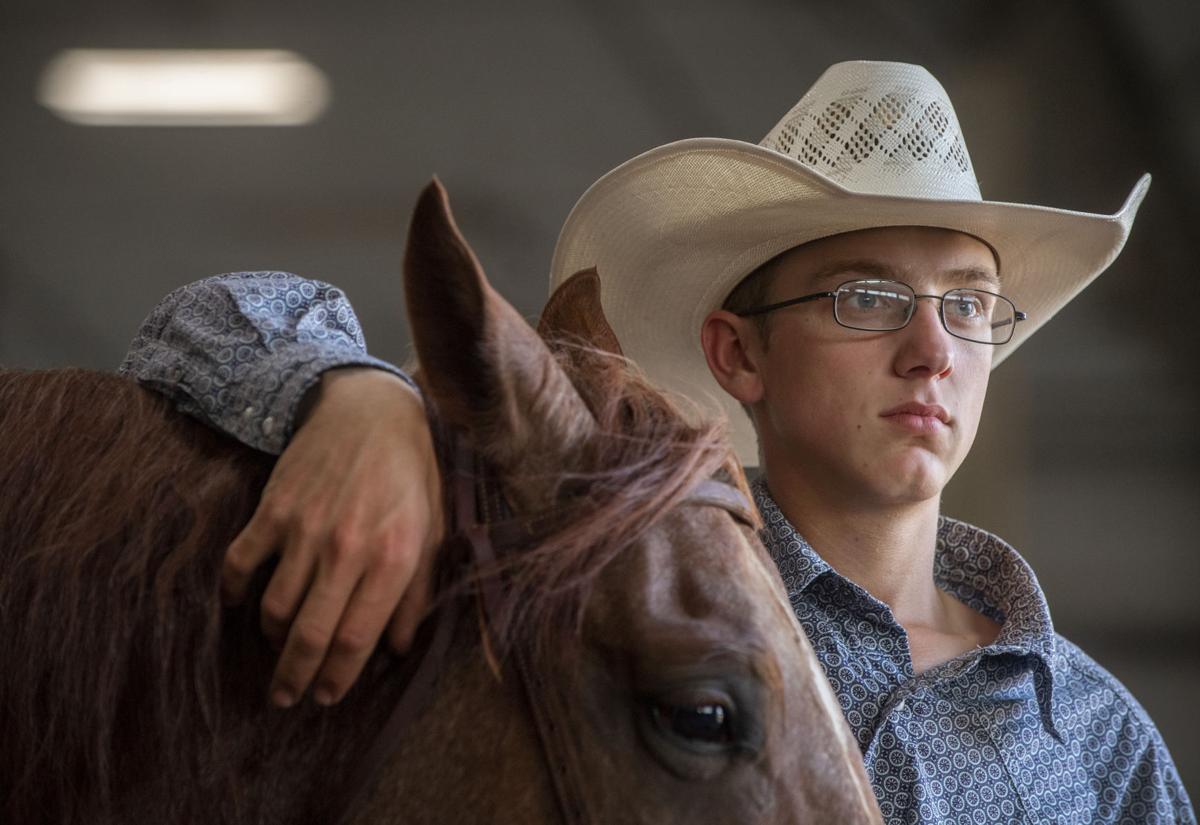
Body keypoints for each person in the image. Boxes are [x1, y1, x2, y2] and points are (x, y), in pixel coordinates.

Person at [120, 61, 1194, 822]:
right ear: (736, 356)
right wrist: (352, 394)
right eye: (868, 299)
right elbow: (200, 326)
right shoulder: (622, 599)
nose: (931, 350)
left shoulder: (1096, 734)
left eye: (969, 307)